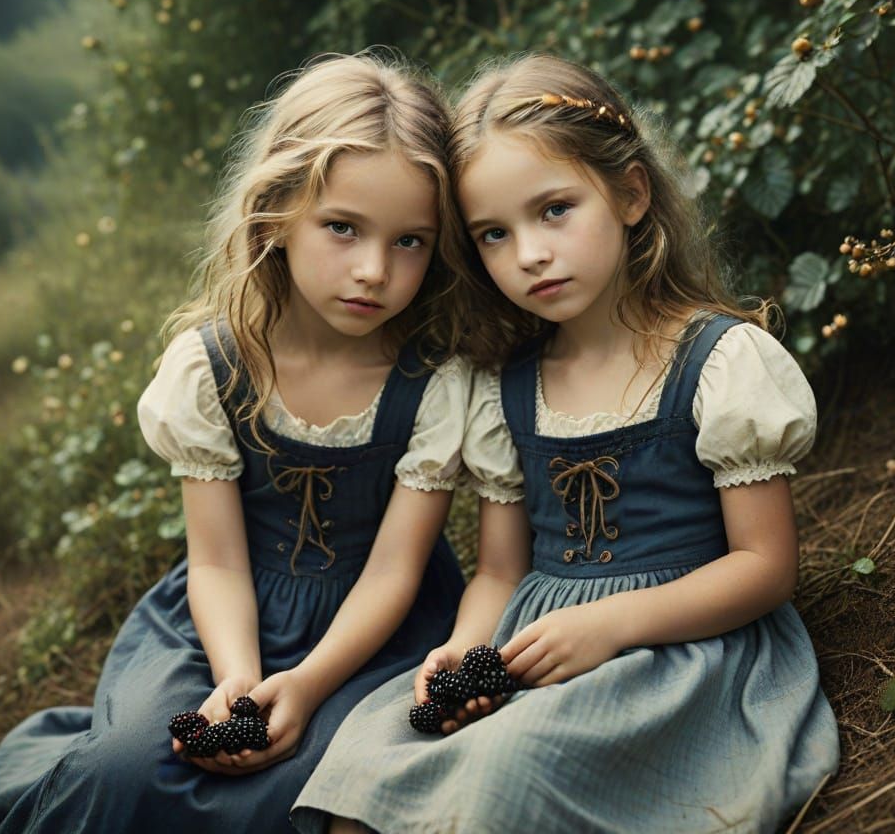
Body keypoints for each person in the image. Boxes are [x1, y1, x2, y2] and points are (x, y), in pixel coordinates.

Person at [292, 54, 840, 834]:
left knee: (505, 774)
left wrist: (611, 624)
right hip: (533, 643)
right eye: (493, 233)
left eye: (554, 210)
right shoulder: (506, 387)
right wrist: (465, 647)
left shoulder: (718, 362)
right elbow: (501, 569)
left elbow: (766, 568)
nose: (529, 254)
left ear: (630, 193)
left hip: (674, 653)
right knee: (368, 774)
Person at [0, 52, 470, 834]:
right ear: (276, 211)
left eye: (410, 241)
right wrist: (239, 676)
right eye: (342, 228)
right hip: (222, 616)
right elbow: (216, 560)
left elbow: (395, 570)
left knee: (321, 787)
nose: (374, 270)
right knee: (133, 768)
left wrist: (305, 685)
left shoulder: (435, 381)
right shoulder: (213, 367)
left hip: (378, 637)